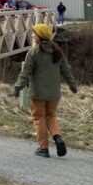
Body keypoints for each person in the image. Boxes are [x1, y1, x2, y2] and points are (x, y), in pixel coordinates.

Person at [13, 24, 78, 158]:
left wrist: (17, 88)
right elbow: (66, 70)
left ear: (39, 36)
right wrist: (72, 85)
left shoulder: (34, 52)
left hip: (38, 93)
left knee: (39, 118)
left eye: (34, 33)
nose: (32, 35)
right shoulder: (57, 51)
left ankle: (43, 148)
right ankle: (57, 136)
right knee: (51, 116)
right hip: (54, 93)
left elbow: (26, 73)